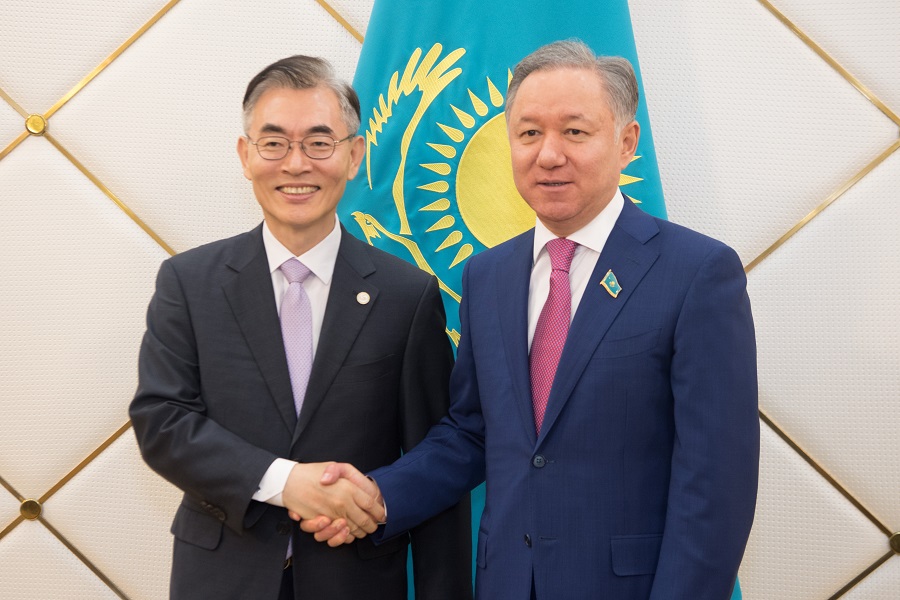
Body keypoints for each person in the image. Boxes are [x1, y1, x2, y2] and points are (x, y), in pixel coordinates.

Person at [303, 40, 759, 599]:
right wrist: (378, 496)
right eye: (528, 133)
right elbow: (473, 431)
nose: (548, 154)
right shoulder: (487, 276)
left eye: (575, 131)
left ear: (626, 142)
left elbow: (717, 482)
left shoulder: (697, 273)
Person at [129, 55, 472, 600]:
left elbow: (436, 455)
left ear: (354, 155)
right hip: (222, 580)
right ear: (245, 155)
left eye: (319, 142)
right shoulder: (189, 283)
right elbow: (162, 420)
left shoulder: (407, 295)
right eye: (273, 143)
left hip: (356, 580)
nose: (295, 164)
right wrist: (286, 482)